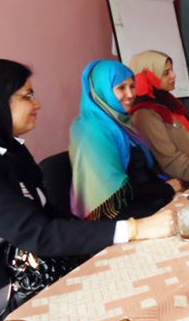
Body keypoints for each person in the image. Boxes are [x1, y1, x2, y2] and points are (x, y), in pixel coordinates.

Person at [0, 59, 174, 321]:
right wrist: (134, 229)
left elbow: (46, 212)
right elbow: (40, 234)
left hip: (35, 267)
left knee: (146, 279)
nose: (38, 104)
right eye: (27, 95)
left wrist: (117, 233)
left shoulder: (5, 146)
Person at [70, 60, 182, 221]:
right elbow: (117, 194)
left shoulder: (120, 123)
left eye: (132, 86)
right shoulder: (92, 131)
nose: (130, 94)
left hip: (140, 199)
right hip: (114, 213)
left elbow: (141, 170)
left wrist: (167, 189)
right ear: (102, 90)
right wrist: (166, 190)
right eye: (121, 88)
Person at [126, 50, 189, 182]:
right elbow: (171, 161)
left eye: (171, 70)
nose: (173, 75)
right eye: (166, 73)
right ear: (148, 76)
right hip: (183, 183)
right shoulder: (145, 114)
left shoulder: (168, 102)